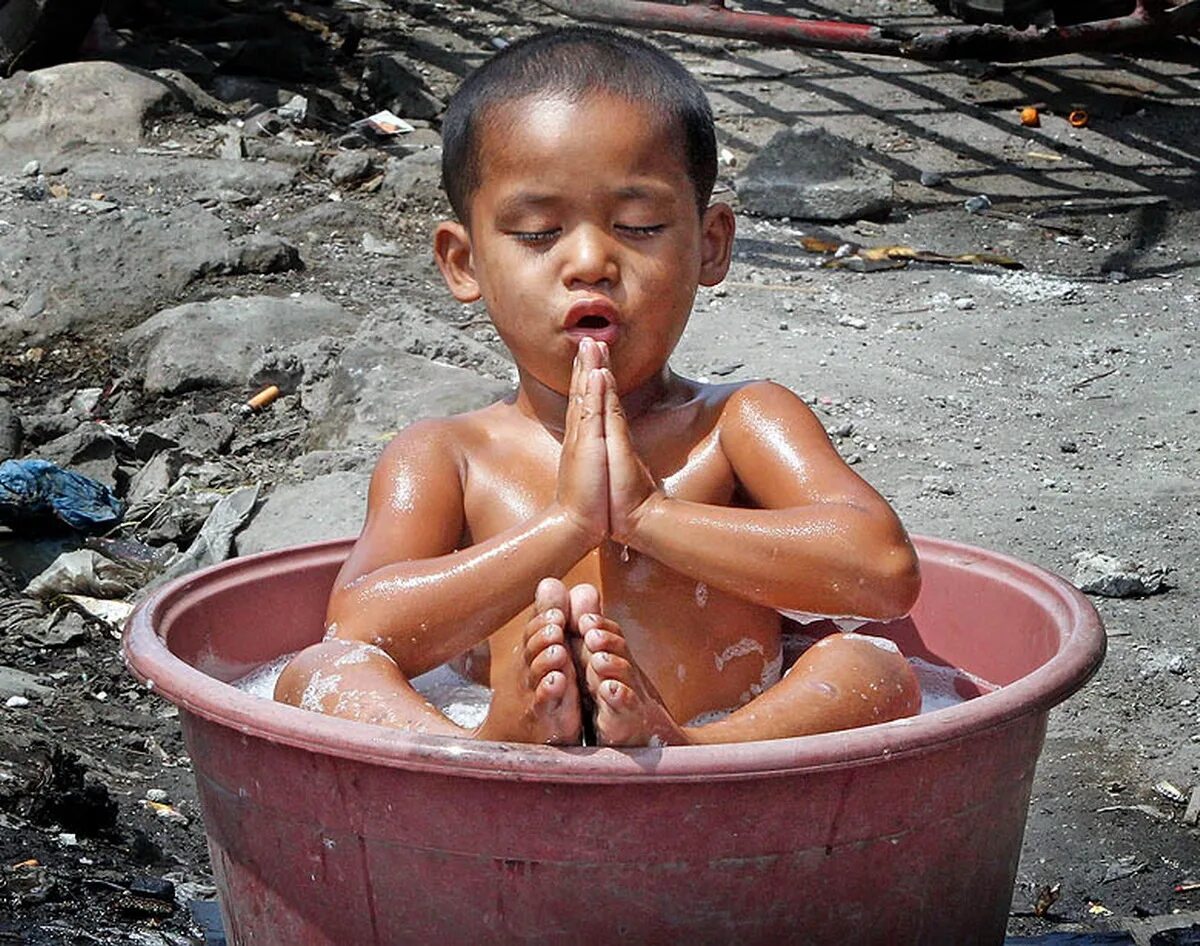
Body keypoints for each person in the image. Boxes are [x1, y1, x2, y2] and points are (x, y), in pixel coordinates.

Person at [275, 26, 922, 746]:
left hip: (719, 751)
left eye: (639, 225)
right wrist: (566, 525)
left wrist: (648, 517)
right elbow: (357, 627)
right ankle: (485, 749)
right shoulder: (449, 456)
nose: (589, 261)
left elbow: (883, 572)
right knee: (319, 673)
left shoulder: (736, 424)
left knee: (873, 666)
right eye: (536, 232)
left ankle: (688, 746)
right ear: (464, 262)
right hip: (484, 735)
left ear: (710, 244)